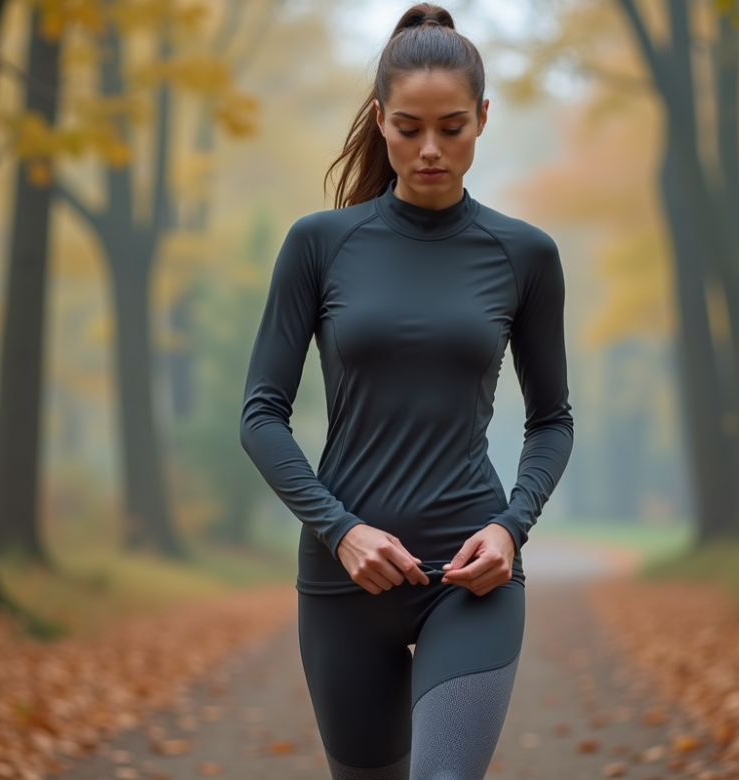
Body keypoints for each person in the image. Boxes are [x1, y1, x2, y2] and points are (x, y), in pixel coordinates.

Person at [239, 4, 573, 778]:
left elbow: (552, 420)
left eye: (452, 127)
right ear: (380, 119)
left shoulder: (525, 255)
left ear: (483, 118)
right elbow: (261, 414)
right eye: (409, 128)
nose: (430, 150)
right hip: (342, 579)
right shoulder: (319, 245)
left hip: (472, 572)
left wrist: (510, 529)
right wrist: (342, 530)